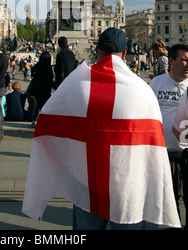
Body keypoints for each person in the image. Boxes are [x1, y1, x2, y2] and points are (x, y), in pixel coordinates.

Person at [22, 28, 181, 230]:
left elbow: (46, 121)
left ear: (96, 50)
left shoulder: (75, 82)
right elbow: (153, 142)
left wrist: (64, 158)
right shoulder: (142, 90)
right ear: (124, 54)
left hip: (86, 182)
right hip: (128, 183)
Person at [150, 43, 188, 228]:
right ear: (171, 61)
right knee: (169, 204)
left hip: (187, 154)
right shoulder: (157, 84)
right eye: (184, 60)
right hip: (165, 155)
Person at [27, 51, 54, 126]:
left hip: (37, 88)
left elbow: (33, 75)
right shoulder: (48, 68)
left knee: (37, 104)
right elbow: (50, 78)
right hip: (46, 89)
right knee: (44, 105)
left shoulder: (37, 66)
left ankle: (35, 119)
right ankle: (44, 120)